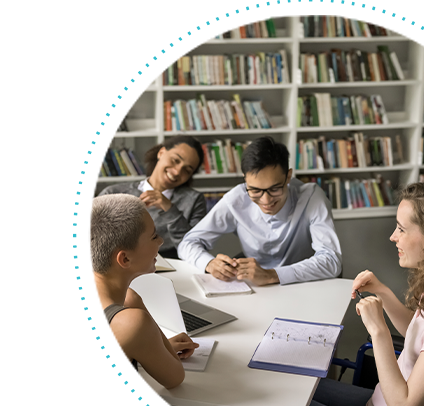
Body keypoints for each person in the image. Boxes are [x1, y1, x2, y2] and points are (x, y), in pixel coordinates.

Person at [217, 181, 424, 406]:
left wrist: (378, 332)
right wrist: (384, 293)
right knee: (279, 382)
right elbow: (419, 337)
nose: (393, 236)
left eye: (402, 229)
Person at [177, 136, 342, 286]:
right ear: (245, 180)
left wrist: (272, 275)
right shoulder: (236, 199)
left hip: (303, 285)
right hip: (254, 289)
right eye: (255, 190)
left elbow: (332, 260)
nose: (266, 200)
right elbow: (187, 244)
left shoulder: (312, 197)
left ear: (288, 177)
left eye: (275, 189)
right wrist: (209, 263)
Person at [89, 194, 199, 389]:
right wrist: (136, 304)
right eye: (154, 236)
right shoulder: (131, 321)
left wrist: (149, 345)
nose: (161, 241)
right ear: (124, 260)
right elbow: (175, 378)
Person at [99, 136, 207, 259]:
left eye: (187, 170)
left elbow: (195, 249)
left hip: (172, 269)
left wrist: (170, 209)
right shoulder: (113, 193)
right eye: (175, 160)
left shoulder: (194, 200)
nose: (177, 172)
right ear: (161, 153)